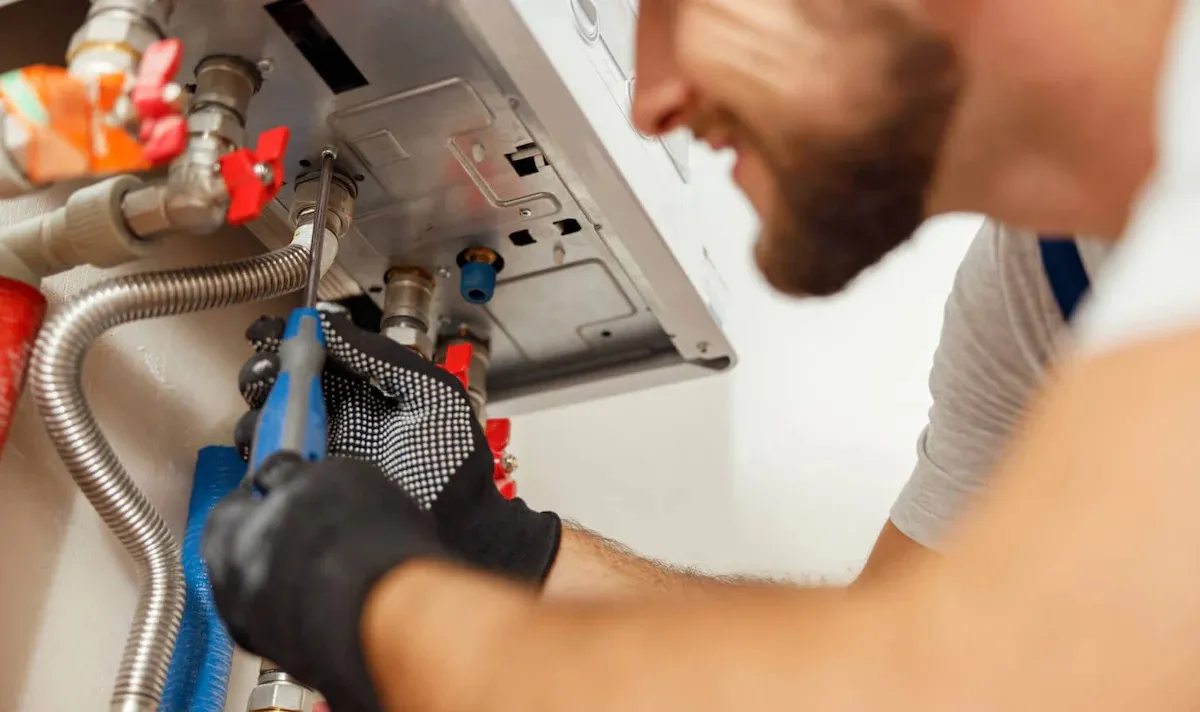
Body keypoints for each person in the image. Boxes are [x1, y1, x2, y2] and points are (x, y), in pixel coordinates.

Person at [203, 0, 1200, 710]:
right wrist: (491, 543)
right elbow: (878, 671)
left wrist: (369, 601)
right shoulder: (1039, 294)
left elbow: (939, 686)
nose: (652, 101)